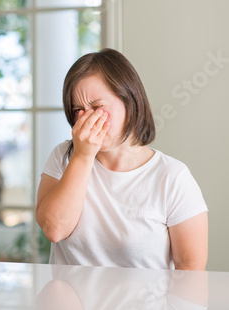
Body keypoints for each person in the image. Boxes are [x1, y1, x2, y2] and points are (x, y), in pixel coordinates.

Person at [36, 48, 208, 270]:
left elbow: (191, 268)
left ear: (129, 100)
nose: (86, 118)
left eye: (97, 107)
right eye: (77, 109)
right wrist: (82, 156)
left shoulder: (172, 177)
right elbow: (54, 230)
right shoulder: (63, 157)